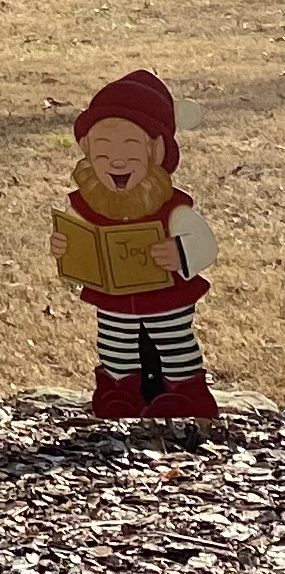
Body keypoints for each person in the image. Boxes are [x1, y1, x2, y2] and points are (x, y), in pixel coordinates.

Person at [58, 69, 218, 420]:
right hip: (113, 297)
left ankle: (184, 393)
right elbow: (76, 237)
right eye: (103, 151)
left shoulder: (172, 208)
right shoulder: (89, 204)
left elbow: (205, 245)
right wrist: (67, 247)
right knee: (115, 346)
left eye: (129, 149)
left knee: (174, 344)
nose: (116, 161)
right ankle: (119, 391)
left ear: (156, 151)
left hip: (166, 297)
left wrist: (180, 252)